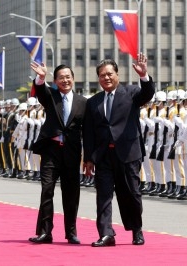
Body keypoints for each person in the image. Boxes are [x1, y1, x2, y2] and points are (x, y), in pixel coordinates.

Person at [83, 53, 155, 247]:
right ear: (98, 78)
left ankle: (136, 230)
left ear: (117, 74)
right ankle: (107, 233)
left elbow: (147, 94)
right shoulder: (93, 102)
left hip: (128, 153)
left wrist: (144, 76)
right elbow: (88, 132)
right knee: (103, 195)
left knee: (131, 194)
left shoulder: (131, 93)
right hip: (103, 155)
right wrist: (88, 158)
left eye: (109, 74)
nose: (106, 78)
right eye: (102, 75)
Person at [28, 62, 87, 244]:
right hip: (51, 152)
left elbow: (88, 131)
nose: (65, 80)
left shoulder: (83, 103)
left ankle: (71, 232)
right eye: (61, 77)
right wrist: (41, 78)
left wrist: (89, 157)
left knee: (71, 194)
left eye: (68, 77)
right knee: (47, 191)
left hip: (71, 153)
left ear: (73, 79)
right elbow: (39, 90)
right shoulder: (50, 96)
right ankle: (45, 232)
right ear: (55, 81)